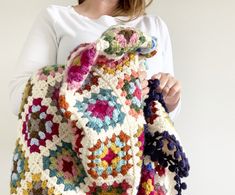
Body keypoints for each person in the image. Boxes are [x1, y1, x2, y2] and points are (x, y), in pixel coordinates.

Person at [8, 0, 182, 121]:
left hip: (140, 167)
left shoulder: (154, 26)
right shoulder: (55, 17)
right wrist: (107, 82)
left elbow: (166, 119)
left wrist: (170, 99)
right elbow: (18, 99)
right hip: (72, 164)